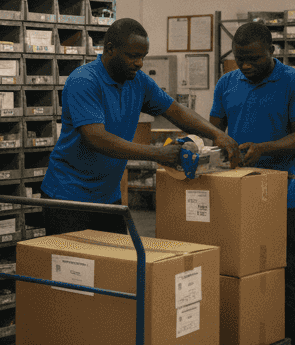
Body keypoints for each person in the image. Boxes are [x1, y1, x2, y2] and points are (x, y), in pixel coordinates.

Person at [41, 18, 240, 237]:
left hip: (107, 197)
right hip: (68, 197)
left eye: (142, 57)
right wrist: (157, 154)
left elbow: (176, 111)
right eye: (133, 56)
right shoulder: (84, 81)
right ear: (110, 49)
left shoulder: (138, 82)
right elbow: (96, 138)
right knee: (73, 268)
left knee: (115, 266)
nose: (139, 63)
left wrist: (218, 135)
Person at [210, 21, 295, 345]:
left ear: (271, 50)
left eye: (253, 58)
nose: (245, 66)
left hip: (277, 197)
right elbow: (215, 129)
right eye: (239, 59)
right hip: (232, 193)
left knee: (280, 276)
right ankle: (235, 342)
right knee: (227, 271)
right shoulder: (227, 84)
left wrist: (264, 149)